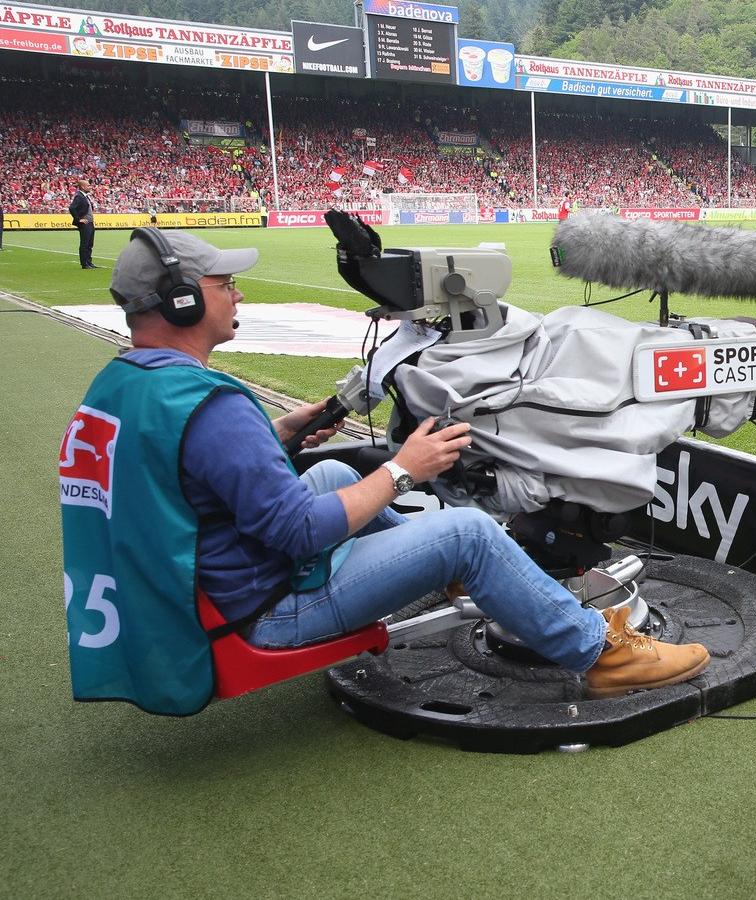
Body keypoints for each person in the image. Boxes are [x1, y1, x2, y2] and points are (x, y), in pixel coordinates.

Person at [63, 230, 708, 709]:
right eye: (221, 284)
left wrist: (283, 431)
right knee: (469, 534)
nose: (237, 293)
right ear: (179, 301)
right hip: (261, 609)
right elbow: (298, 534)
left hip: (197, 584)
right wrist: (404, 468)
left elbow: (187, 474)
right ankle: (602, 655)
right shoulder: (212, 408)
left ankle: (467, 581)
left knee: (335, 476)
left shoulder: (123, 386)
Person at [69, 179, 97, 269]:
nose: (90, 187)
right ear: (83, 187)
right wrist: (78, 219)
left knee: (90, 243)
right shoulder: (79, 196)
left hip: (90, 222)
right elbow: (72, 208)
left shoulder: (85, 196)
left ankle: (89, 262)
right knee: (85, 243)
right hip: (85, 223)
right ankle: (84, 263)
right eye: (88, 185)